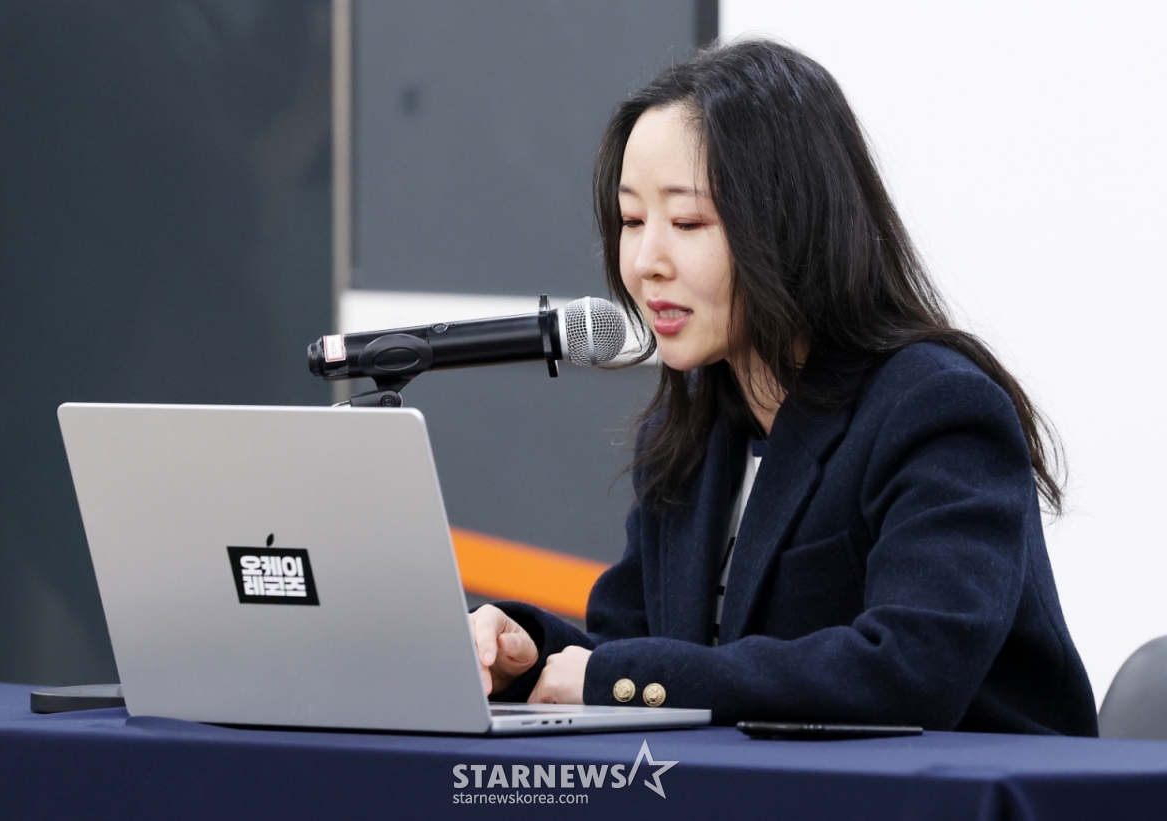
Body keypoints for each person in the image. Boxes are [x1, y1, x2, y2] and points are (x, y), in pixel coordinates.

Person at [470, 39, 1097, 735]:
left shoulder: (937, 409)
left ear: (789, 224)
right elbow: (632, 645)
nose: (646, 261)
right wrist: (528, 656)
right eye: (632, 221)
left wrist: (622, 678)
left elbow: (908, 670)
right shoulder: (689, 430)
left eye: (687, 222)